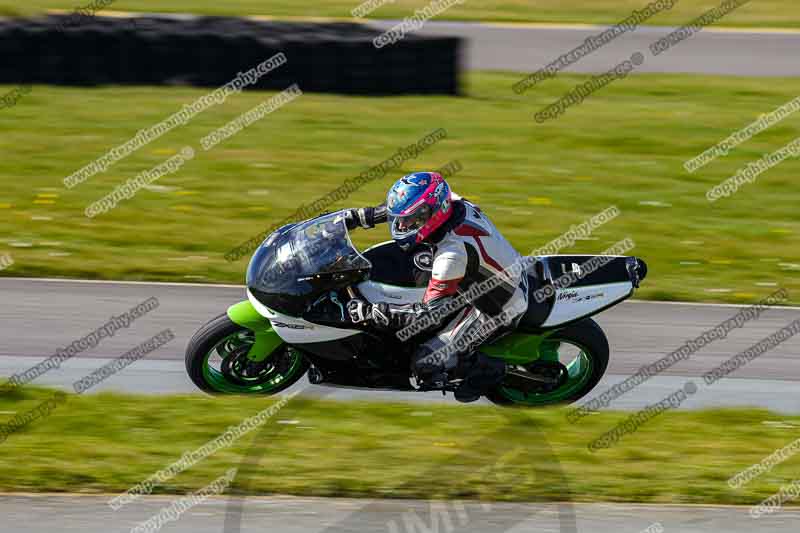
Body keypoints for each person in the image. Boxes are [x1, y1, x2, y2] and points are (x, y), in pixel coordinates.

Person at [344, 171, 529, 402]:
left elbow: (431, 314)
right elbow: (406, 207)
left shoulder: (451, 256)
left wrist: (376, 312)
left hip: (494, 306)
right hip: (479, 277)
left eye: (410, 220)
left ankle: (488, 370)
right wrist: (360, 217)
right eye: (401, 219)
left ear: (433, 214)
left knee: (425, 362)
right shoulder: (451, 201)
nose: (402, 225)